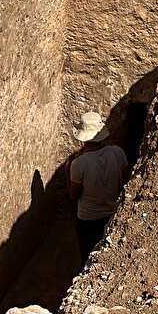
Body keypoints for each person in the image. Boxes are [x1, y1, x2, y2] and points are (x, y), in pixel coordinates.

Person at [68, 111, 129, 264]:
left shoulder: (79, 164)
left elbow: (74, 195)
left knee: (87, 255)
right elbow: (126, 180)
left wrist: (67, 172)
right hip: (114, 212)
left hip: (89, 217)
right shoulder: (118, 152)